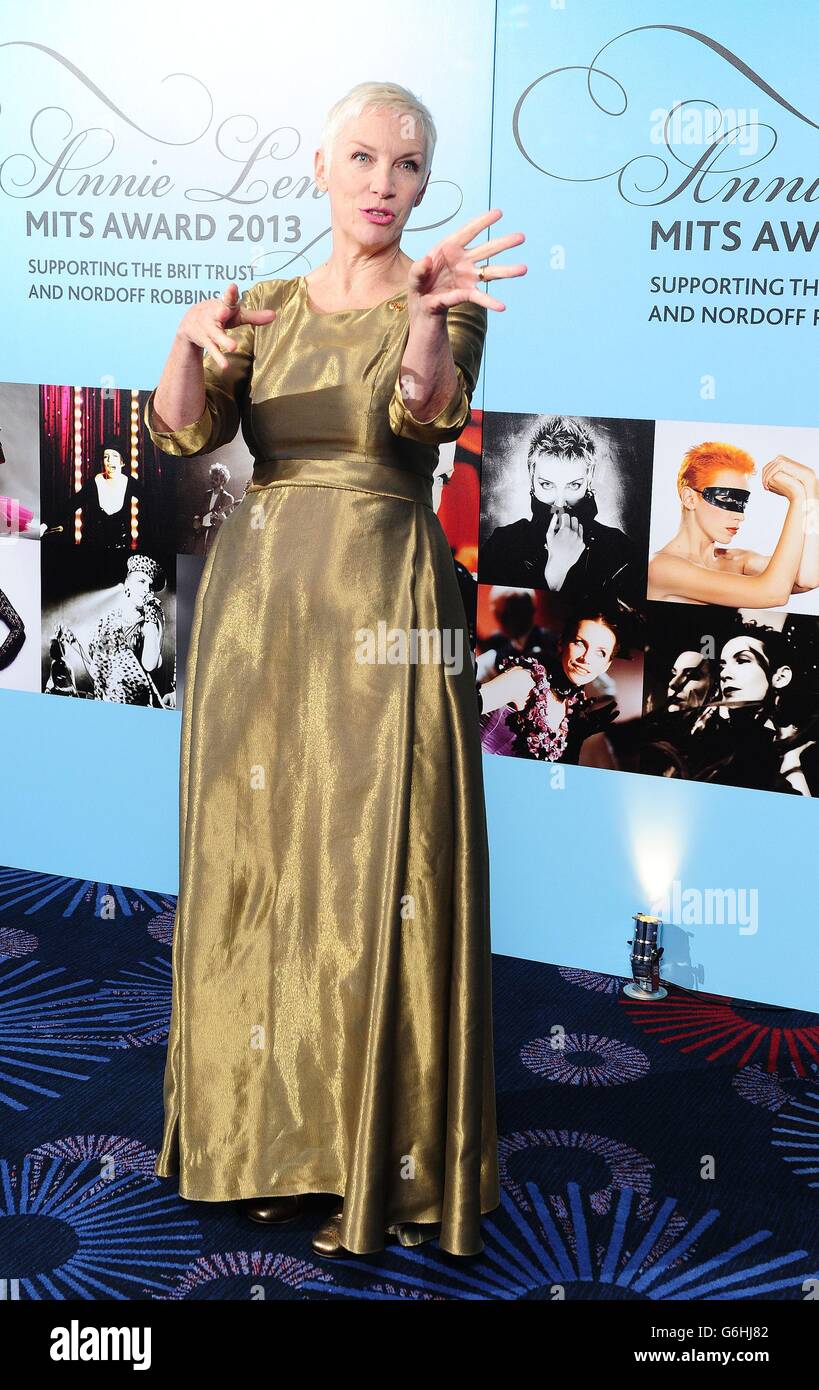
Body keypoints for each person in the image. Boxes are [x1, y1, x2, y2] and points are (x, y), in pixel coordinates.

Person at [143, 81, 527, 1261]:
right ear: (320, 166)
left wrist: (423, 320)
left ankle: (380, 1155)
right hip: (258, 613)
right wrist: (184, 342)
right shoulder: (255, 303)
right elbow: (180, 433)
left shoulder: (443, 298)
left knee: (378, 865)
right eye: (361, 157)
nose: (383, 182)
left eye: (407, 166)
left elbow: (423, 419)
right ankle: (261, 1136)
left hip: (387, 605)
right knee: (260, 864)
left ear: (424, 183)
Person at [479, 415, 642, 607]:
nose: (559, 502)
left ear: (588, 479)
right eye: (547, 484)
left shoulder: (620, 549)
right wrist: (555, 572)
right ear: (532, 479)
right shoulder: (503, 544)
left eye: (573, 485)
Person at [648, 442, 819, 608]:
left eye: (742, 503)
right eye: (727, 499)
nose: (740, 516)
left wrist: (811, 485)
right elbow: (774, 593)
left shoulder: (737, 561)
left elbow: (807, 578)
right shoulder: (661, 568)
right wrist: (797, 498)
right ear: (690, 498)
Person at [479, 609, 620, 761]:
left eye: (601, 653)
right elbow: (459, 708)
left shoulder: (572, 708)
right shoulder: (524, 680)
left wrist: (576, 739)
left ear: (606, 665)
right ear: (561, 643)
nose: (586, 658)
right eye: (580, 643)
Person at [41, 446, 145, 551]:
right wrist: (46, 524)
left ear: (122, 462)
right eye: (106, 456)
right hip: (94, 545)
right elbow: (72, 504)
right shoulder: (94, 482)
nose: (109, 460)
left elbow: (151, 505)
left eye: (114, 456)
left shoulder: (130, 483)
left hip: (121, 547)